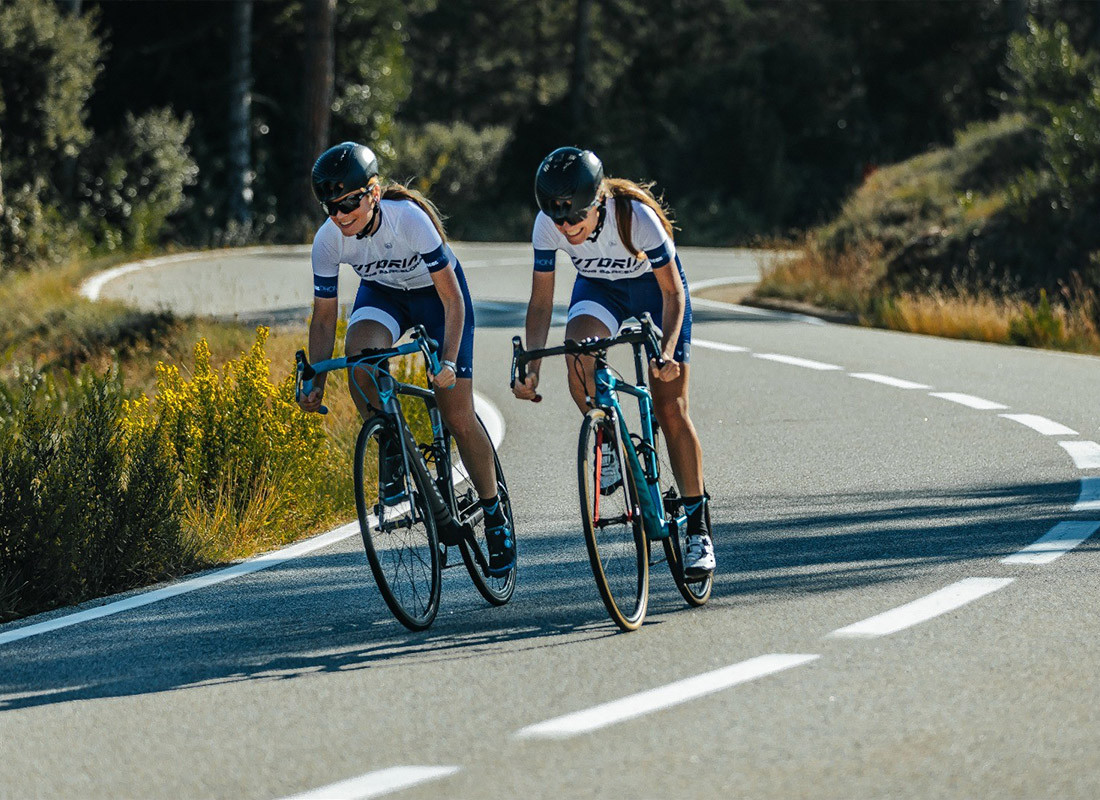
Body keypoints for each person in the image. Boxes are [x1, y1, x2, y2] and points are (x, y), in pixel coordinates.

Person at [298, 141, 514, 576]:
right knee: (359, 361)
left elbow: (454, 301)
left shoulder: (409, 220)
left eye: (349, 203)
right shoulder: (328, 239)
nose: (340, 216)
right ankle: (392, 447)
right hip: (384, 296)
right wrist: (315, 377)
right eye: (330, 207)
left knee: (458, 413)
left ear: (373, 193)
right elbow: (324, 320)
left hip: (438, 300)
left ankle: (494, 515)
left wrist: (448, 362)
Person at [512, 146, 714, 578]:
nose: (565, 228)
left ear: (597, 202)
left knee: (670, 406)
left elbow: (673, 294)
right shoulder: (548, 224)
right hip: (600, 289)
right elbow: (542, 302)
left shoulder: (636, 217)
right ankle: (606, 438)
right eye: (557, 219)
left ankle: (698, 529)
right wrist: (532, 364)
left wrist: (666, 351)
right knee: (576, 352)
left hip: (653, 291)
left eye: (574, 219)